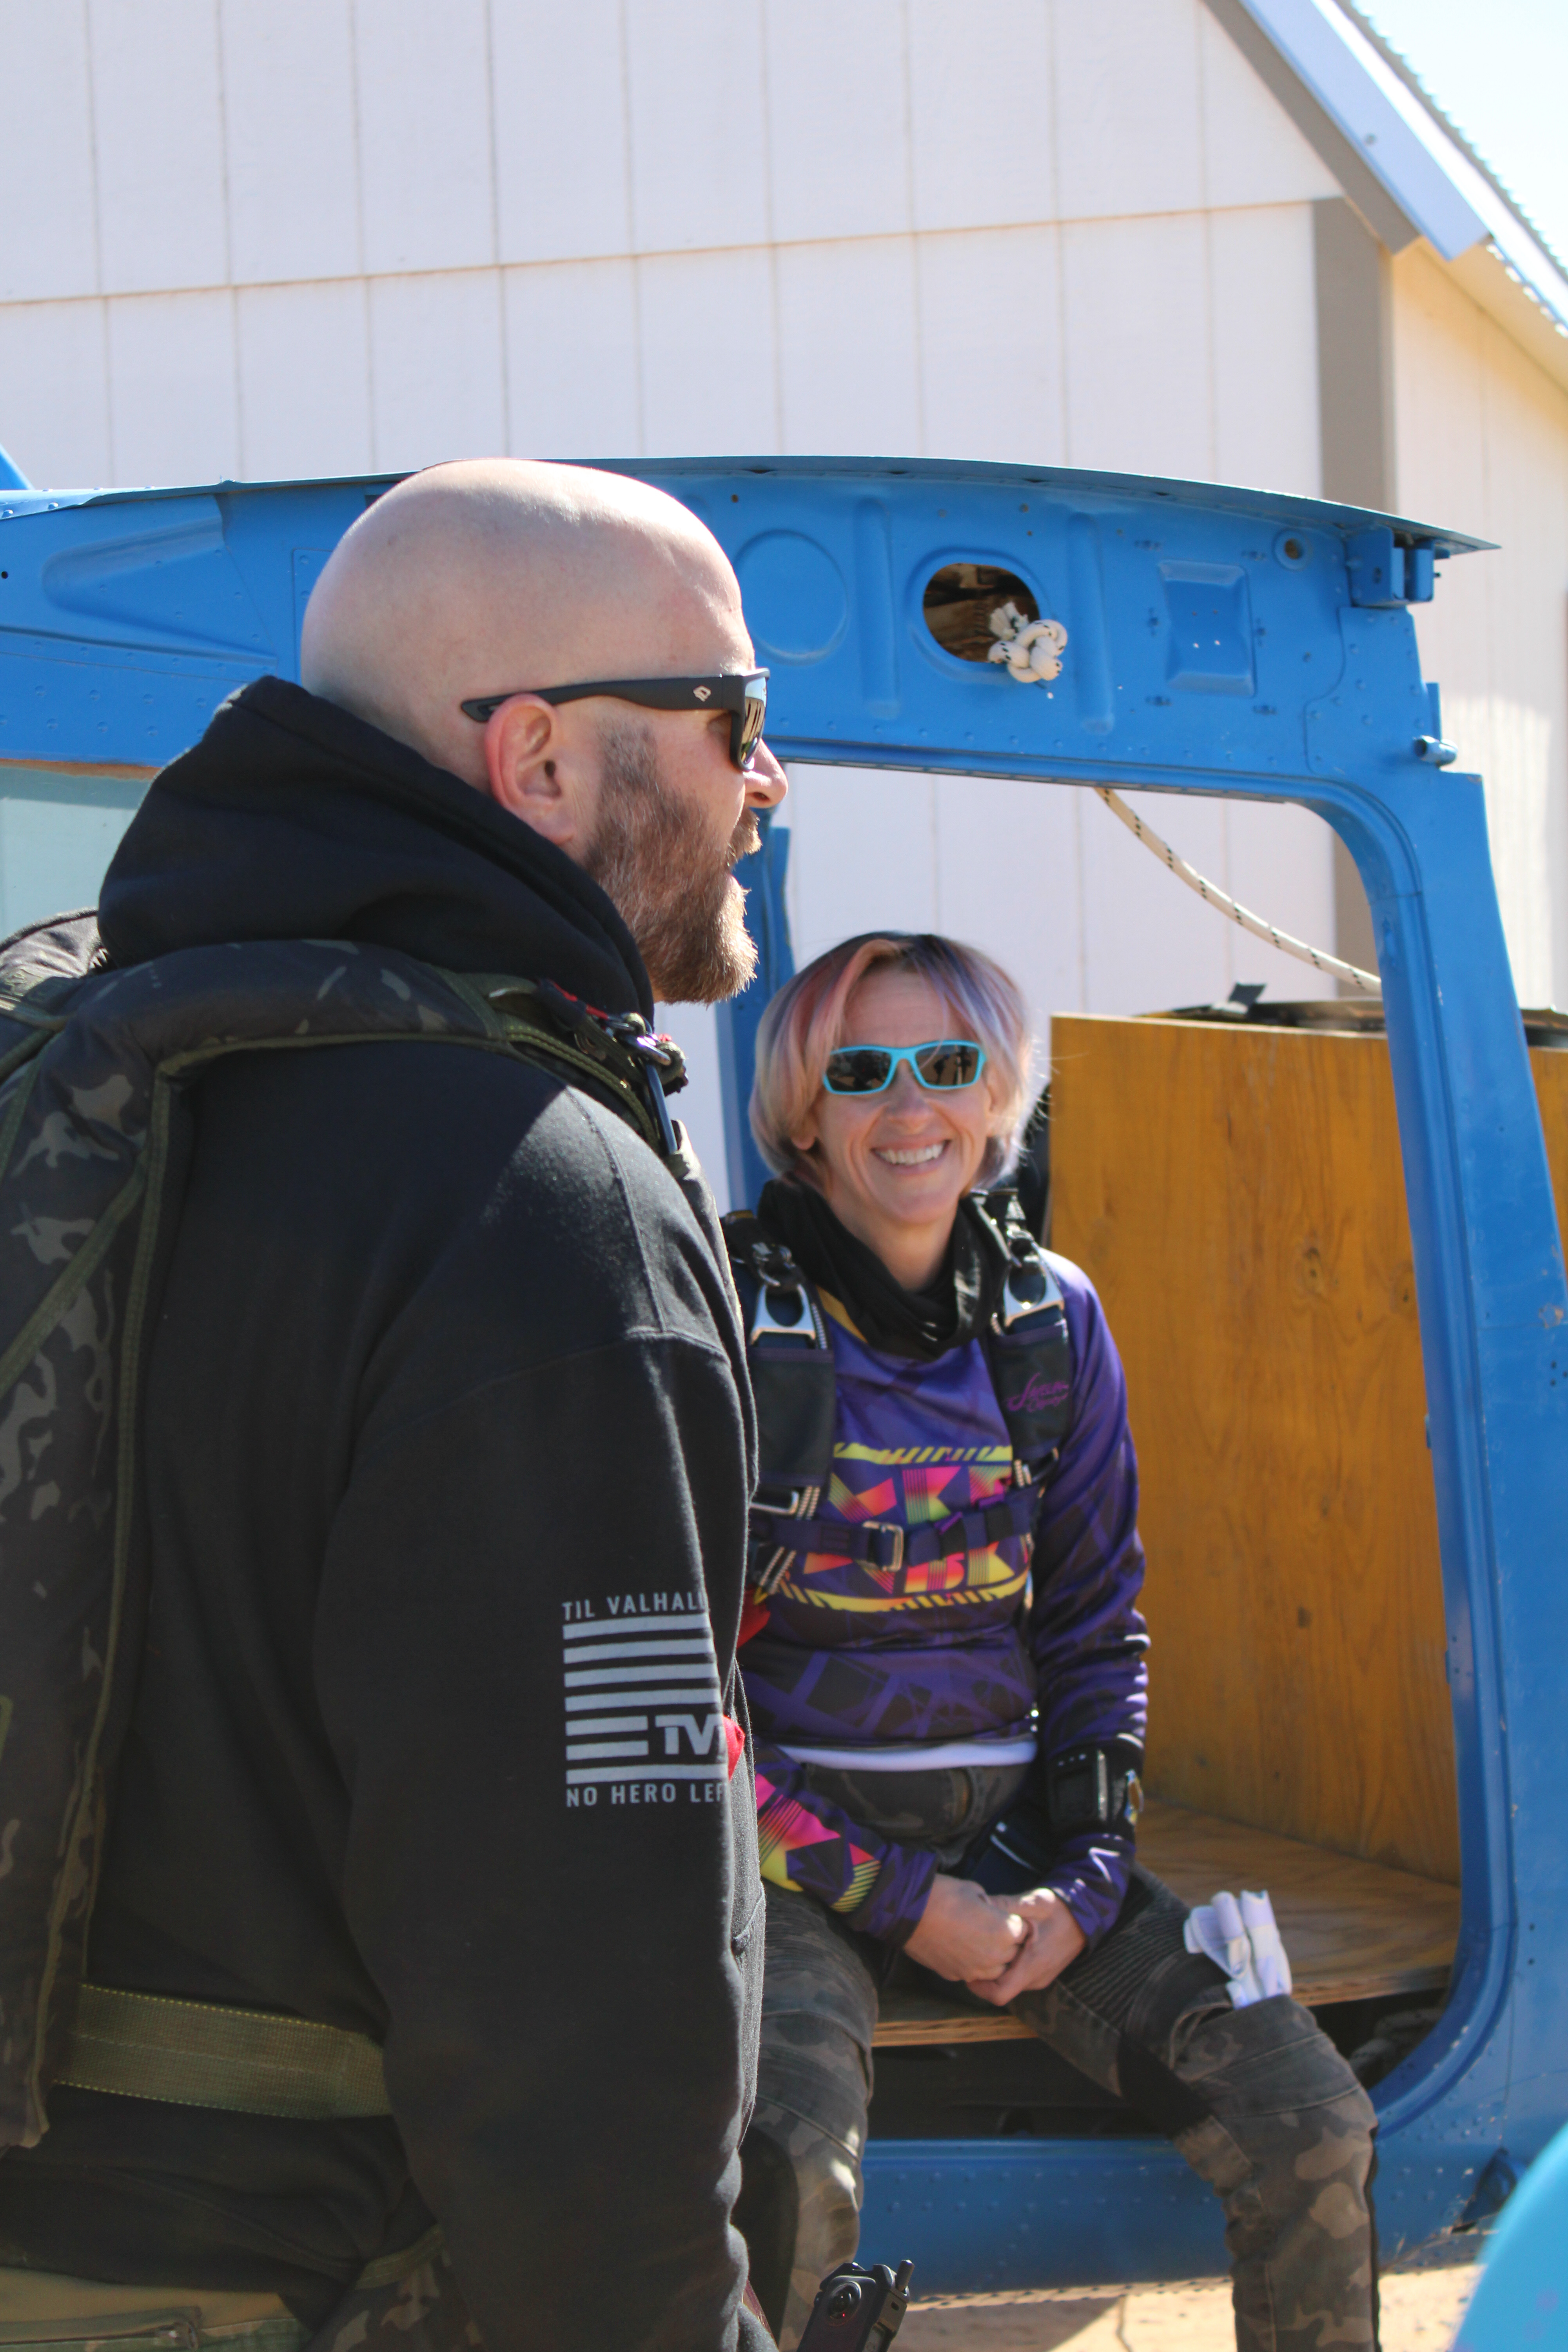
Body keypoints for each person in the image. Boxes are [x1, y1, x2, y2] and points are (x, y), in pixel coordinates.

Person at [0, 461, 786, 2351]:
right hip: (285, 2276)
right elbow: (590, 1977)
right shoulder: (538, 1202)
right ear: (537, 759)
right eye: (729, 714)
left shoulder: (71, 1075)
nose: (765, 779)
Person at [726, 931, 1378, 2352]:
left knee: (1310, 2120)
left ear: (999, 1091)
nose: (912, 1106)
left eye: (948, 1064)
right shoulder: (723, 1321)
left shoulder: (1051, 1322)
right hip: (794, 1869)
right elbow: (681, 1697)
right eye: (862, 1071)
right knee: (785, 2177)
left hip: (1020, 1846)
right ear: (802, 1115)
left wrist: (1084, 1883)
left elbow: (1093, 1630)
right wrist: (907, 1903)